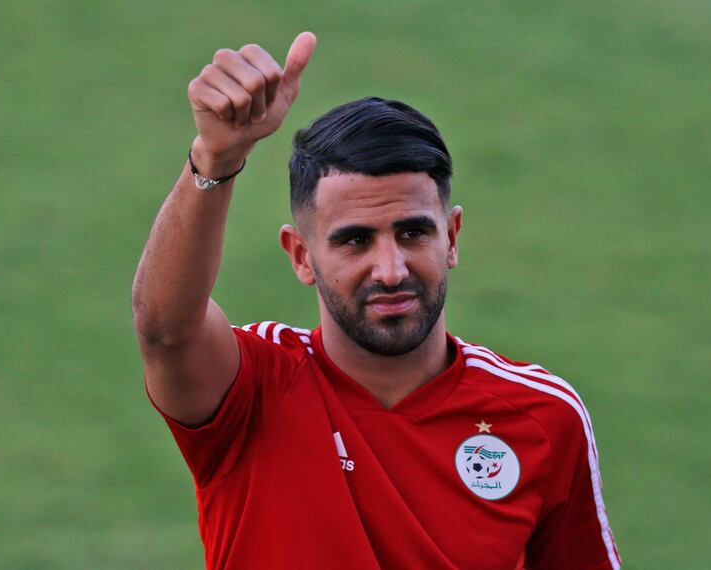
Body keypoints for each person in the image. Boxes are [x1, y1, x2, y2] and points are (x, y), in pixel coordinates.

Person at [132, 32, 622, 570]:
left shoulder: (543, 417)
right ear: (300, 256)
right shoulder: (253, 388)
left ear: (452, 238)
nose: (391, 270)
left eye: (413, 233)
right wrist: (214, 157)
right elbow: (166, 330)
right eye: (355, 240)